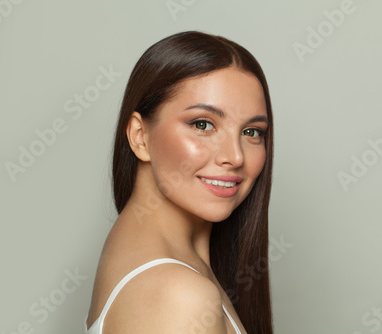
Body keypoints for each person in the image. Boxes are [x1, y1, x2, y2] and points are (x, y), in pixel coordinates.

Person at [84, 30, 274, 334]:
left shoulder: (156, 259)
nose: (235, 156)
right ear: (139, 136)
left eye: (252, 132)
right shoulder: (178, 295)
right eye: (202, 124)